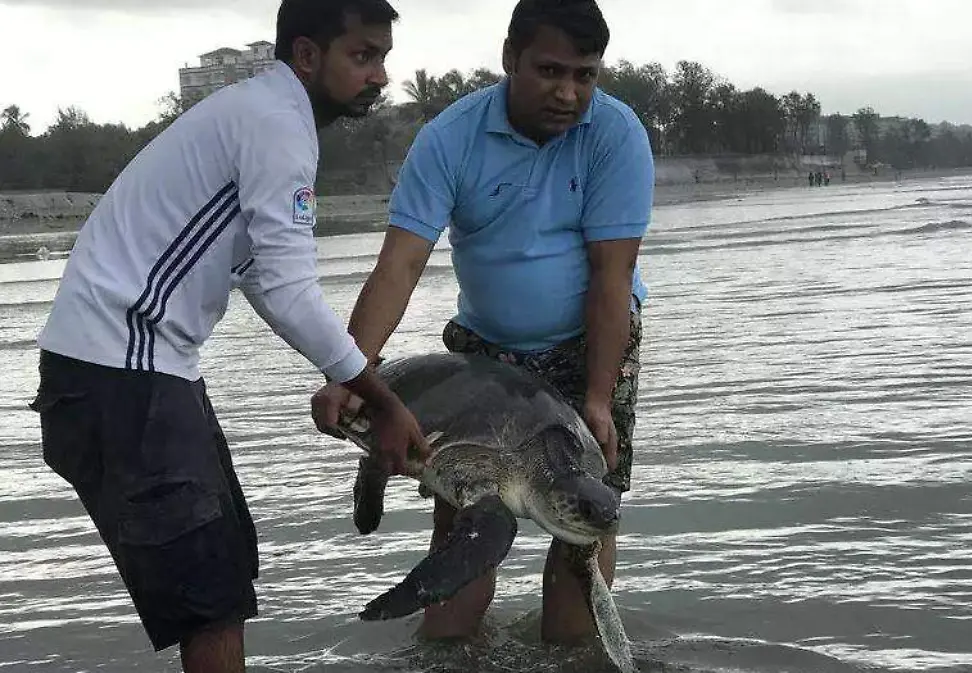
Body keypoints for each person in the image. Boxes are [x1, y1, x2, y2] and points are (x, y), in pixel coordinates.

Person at [28, 1, 430, 670]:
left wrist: (344, 376)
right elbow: (294, 293)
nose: (380, 75)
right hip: (121, 372)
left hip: (136, 369)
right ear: (306, 55)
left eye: (383, 57)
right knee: (210, 600)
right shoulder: (276, 126)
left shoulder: (264, 114)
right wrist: (383, 400)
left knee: (226, 577)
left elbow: (261, 278)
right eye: (362, 56)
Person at [310, 0, 653, 647]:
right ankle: (444, 653)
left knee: (588, 520)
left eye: (585, 74)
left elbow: (612, 279)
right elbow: (399, 266)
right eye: (550, 70)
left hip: (592, 341)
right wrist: (348, 373)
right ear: (508, 59)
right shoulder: (451, 137)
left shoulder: (616, 133)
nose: (569, 91)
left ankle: (571, 656)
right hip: (488, 353)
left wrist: (599, 400)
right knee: (471, 520)